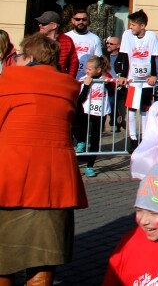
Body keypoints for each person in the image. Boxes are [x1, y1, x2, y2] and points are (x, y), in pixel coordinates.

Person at [0, 33, 89, 286]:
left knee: (3, 254)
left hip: (10, 174)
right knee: (44, 254)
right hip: (54, 179)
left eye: (18, 55)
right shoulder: (69, 87)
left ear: (29, 57)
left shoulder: (9, 82)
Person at [121, 9, 158, 151]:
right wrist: (123, 75)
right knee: (131, 107)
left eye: (133, 25)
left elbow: (154, 56)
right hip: (133, 78)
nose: (131, 27)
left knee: (144, 108)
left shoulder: (151, 36)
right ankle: (132, 138)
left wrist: (154, 75)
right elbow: (125, 55)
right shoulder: (127, 35)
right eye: (130, 25)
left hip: (146, 80)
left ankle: (144, 137)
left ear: (142, 26)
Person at [74, 54, 116, 178]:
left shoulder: (105, 79)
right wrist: (87, 85)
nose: (87, 71)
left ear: (98, 70)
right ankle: (81, 142)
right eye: (86, 69)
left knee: (95, 139)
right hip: (86, 111)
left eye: (90, 69)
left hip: (99, 113)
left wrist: (107, 83)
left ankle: (90, 166)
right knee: (78, 128)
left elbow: (112, 93)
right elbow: (80, 99)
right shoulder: (84, 79)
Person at [35, 9, 79, 77]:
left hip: (59, 80)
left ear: (54, 26)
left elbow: (74, 62)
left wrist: (69, 79)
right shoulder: (35, 40)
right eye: (39, 23)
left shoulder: (67, 40)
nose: (40, 25)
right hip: (39, 78)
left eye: (44, 23)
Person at [66, 9, 103, 79]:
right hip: (69, 78)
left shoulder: (95, 38)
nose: (81, 22)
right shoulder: (66, 37)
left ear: (88, 21)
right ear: (72, 20)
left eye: (84, 19)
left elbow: (98, 60)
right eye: (77, 19)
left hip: (87, 80)